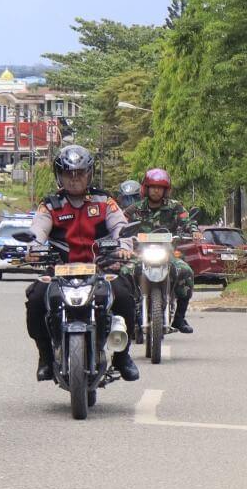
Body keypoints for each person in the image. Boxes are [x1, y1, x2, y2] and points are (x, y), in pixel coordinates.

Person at [24, 144, 140, 382]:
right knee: (36, 298)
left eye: (79, 173)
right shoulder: (50, 205)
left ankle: (123, 357)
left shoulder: (104, 201)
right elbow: (38, 230)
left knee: (125, 294)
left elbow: (121, 227)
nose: (74, 179)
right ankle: (45, 356)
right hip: (59, 270)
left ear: (89, 173)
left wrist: (124, 248)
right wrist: (33, 248)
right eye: (69, 173)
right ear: (60, 175)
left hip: (100, 267)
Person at [122, 168, 201, 334]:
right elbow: (120, 224)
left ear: (166, 190)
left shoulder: (174, 207)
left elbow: (186, 221)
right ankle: (126, 317)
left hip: (167, 254)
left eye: (160, 187)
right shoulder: (134, 209)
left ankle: (179, 317)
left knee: (186, 272)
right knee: (123, 273)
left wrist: (193, 231)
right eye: (152, 187)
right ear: (146, 188)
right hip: (140, 255)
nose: (156, 190)